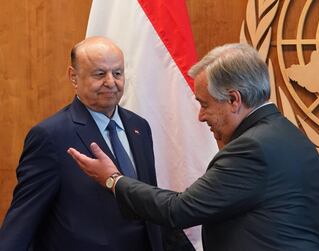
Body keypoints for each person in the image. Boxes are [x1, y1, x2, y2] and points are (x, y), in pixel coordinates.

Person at [68, 43, 319, 251]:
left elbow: (179, 210)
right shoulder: (290, 136)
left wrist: (114, 180)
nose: (200, 116)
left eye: (204, 104)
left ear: (233, 99)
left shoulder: (251, 148)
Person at [0, 36, 193, 251]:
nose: (111, 82)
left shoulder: (139, 127)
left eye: (117, 73)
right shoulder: (50, 136)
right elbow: (24, 217)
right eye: (100, 74)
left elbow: (148, 201)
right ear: (73, 77)